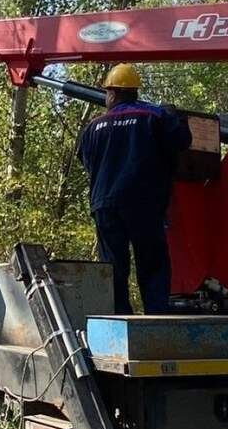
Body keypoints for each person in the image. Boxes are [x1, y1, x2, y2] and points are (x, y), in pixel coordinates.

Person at [77, 63, 192, 314]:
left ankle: (120, 319)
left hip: (105, 205)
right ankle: (157, 317)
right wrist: (172, 115)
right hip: (144, 203)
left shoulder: (92, 127)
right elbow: (182, 141)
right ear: (134, 91)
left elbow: (86, 161)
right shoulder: (154, 117)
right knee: (152, 262)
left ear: (112, 93)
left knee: (112, 266)